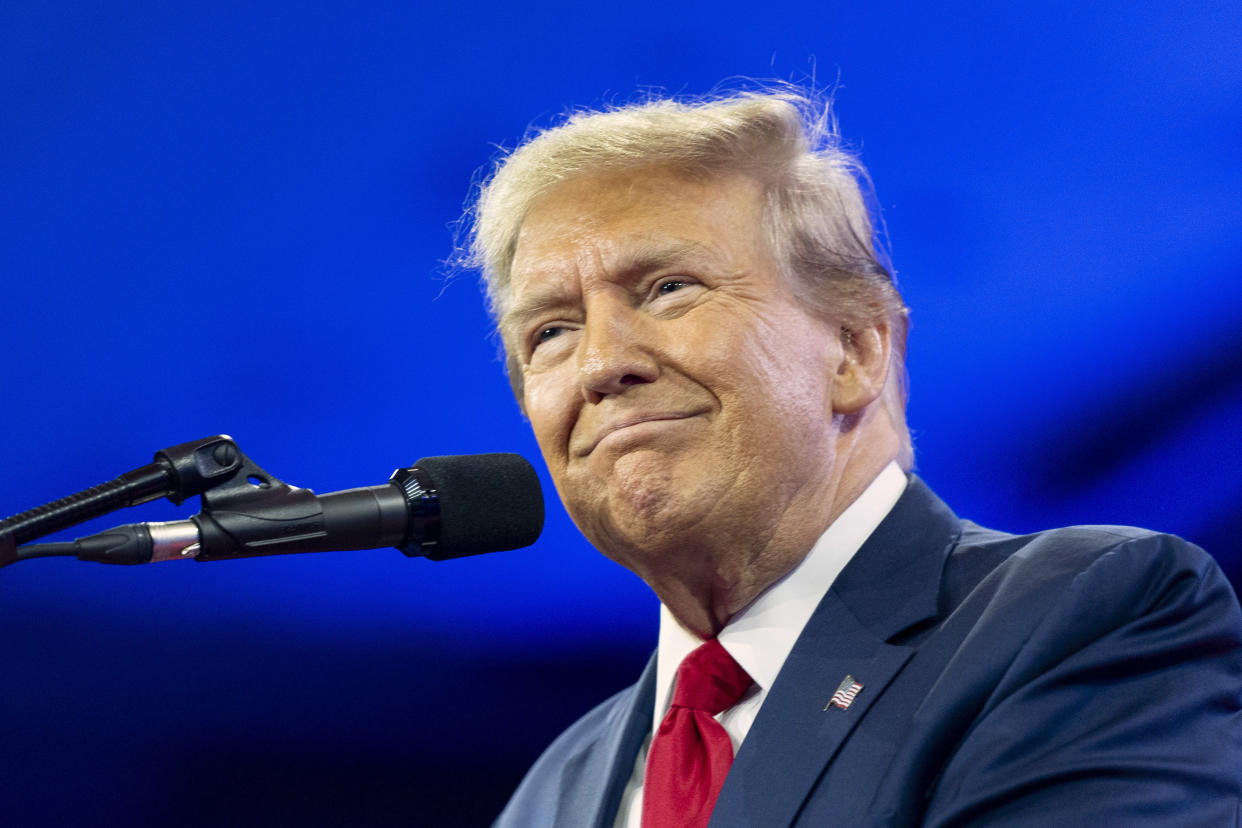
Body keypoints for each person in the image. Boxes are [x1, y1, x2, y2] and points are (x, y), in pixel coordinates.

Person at [463, 86, 1242, 826]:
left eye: (668, 288)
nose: (601, 364)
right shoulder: (554, 791)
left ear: (855, 351)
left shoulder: (1084, 614)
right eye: (551, 332)